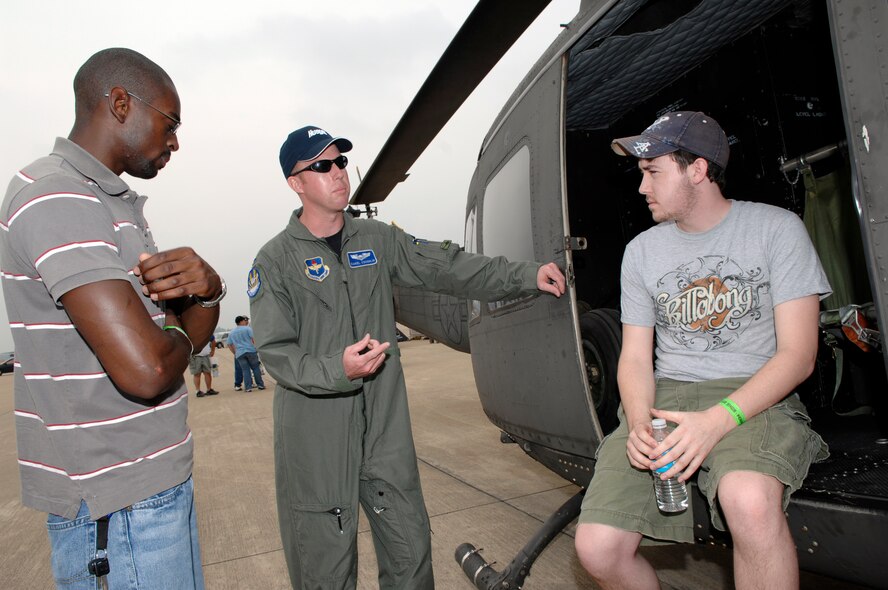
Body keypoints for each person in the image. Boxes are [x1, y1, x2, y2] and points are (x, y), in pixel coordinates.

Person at [248, 125, 566, 589]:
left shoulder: (377, 239)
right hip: (315, 435)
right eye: (322, 166)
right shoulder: (273, 260)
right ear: (296, 183)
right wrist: (338, 369)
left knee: (410, 553)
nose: (338, 173)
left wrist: (527, 274)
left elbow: (448, 266)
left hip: (384, 427)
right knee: (325, 567)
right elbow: (276, 353)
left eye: (340, 162)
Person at [574, 111, 830, 590]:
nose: (641, 187)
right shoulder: (642, 252)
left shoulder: (777, 229)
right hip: (667, 399)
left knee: (748, 501)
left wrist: (718, 420)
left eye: (653, 172)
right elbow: (633, 358)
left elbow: (799, 356)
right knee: (597, 548)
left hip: (753, 396)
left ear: (698, 170)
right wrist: (637, 424)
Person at [0, 48, 226, 589]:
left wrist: (209, 294)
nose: (175, 141)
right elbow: (147, 370)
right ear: (121, 104)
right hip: (118, 505)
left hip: (151, 487)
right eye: (170, 122)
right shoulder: (57, 196)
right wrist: (176, 321)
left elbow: (177, 349)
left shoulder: (111, 204)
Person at [227, 315, 265, 392]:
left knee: (245, 370)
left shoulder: (232, 333)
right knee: (255, 368)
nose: (246, 322)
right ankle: (260, 385)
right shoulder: (247, 329)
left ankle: (248, 387)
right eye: (244, 320)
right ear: (241, 321)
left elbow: (229, 344)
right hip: (250, 351)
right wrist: (256, 347)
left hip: (240, 353)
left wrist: (235, 353)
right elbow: (254, 338)